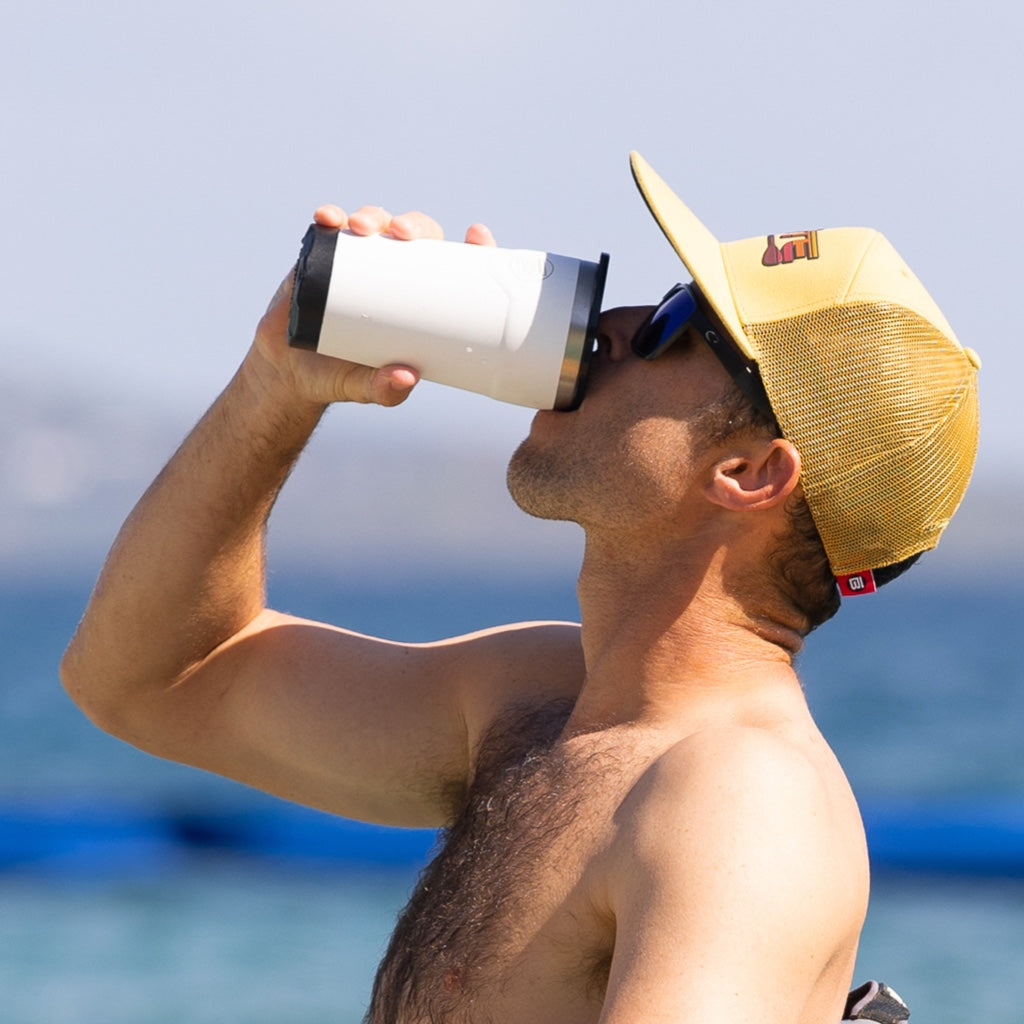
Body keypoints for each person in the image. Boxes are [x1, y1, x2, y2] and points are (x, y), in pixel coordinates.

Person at [61, 152, 978, 1023]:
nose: (612, 323)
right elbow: (150, 677)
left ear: (747, 472)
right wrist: (278, 385)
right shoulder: (547, 702)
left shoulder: (741, 801)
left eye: (676, 323)